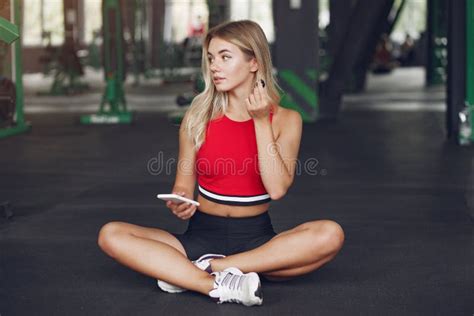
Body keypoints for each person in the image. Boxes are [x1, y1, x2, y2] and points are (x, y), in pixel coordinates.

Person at [98, 20, 345, 307]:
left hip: (257, 242)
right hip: (199, 236)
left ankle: (200, 269)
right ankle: (211, 283)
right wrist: (180, 200)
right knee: (111, 235)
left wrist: (261, 120)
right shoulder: (197, 116)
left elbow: (277, 188)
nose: (215, 66)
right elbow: (182, 184)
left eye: (225, 57)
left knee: (330, 235)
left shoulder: (288, 120)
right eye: (212, 58)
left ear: (254, 62)